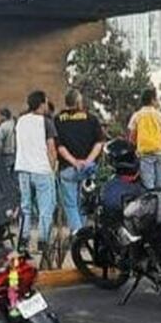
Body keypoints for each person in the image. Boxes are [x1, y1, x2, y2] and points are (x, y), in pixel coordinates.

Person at [54, 90, 105, 234]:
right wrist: (87, 161)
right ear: (78, 102)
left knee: (70, 204)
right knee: (83, 203)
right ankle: (83, 235)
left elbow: (59, 146)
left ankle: (78, 232)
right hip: (88, 169)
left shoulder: (58, 120)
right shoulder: (91, 119)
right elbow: (99, 143)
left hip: (68, 168)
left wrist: (74, 161)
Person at [14, 90, 58, 254]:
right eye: (46, 102)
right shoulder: (46, 122)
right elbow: (51, 148)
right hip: (41, 169)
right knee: (45, 208)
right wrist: (52, 168)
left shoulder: (20, 121)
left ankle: (22, 241)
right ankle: (43, 241)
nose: (47, 105)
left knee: (26, 207)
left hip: (23, 168)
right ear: (41, 104)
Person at [128, 87, 161, 190]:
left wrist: (134, 151)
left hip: (144, 154)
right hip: (159, 153)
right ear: (152, 100)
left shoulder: (137, 116)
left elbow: (132, 138)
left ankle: (151, 204)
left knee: (148, 185)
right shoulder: (160, 116)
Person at [0, 107, 16, 172]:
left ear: (3, 116)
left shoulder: (2, 127)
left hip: (6, 155)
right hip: (16, 154)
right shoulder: (15, 124)